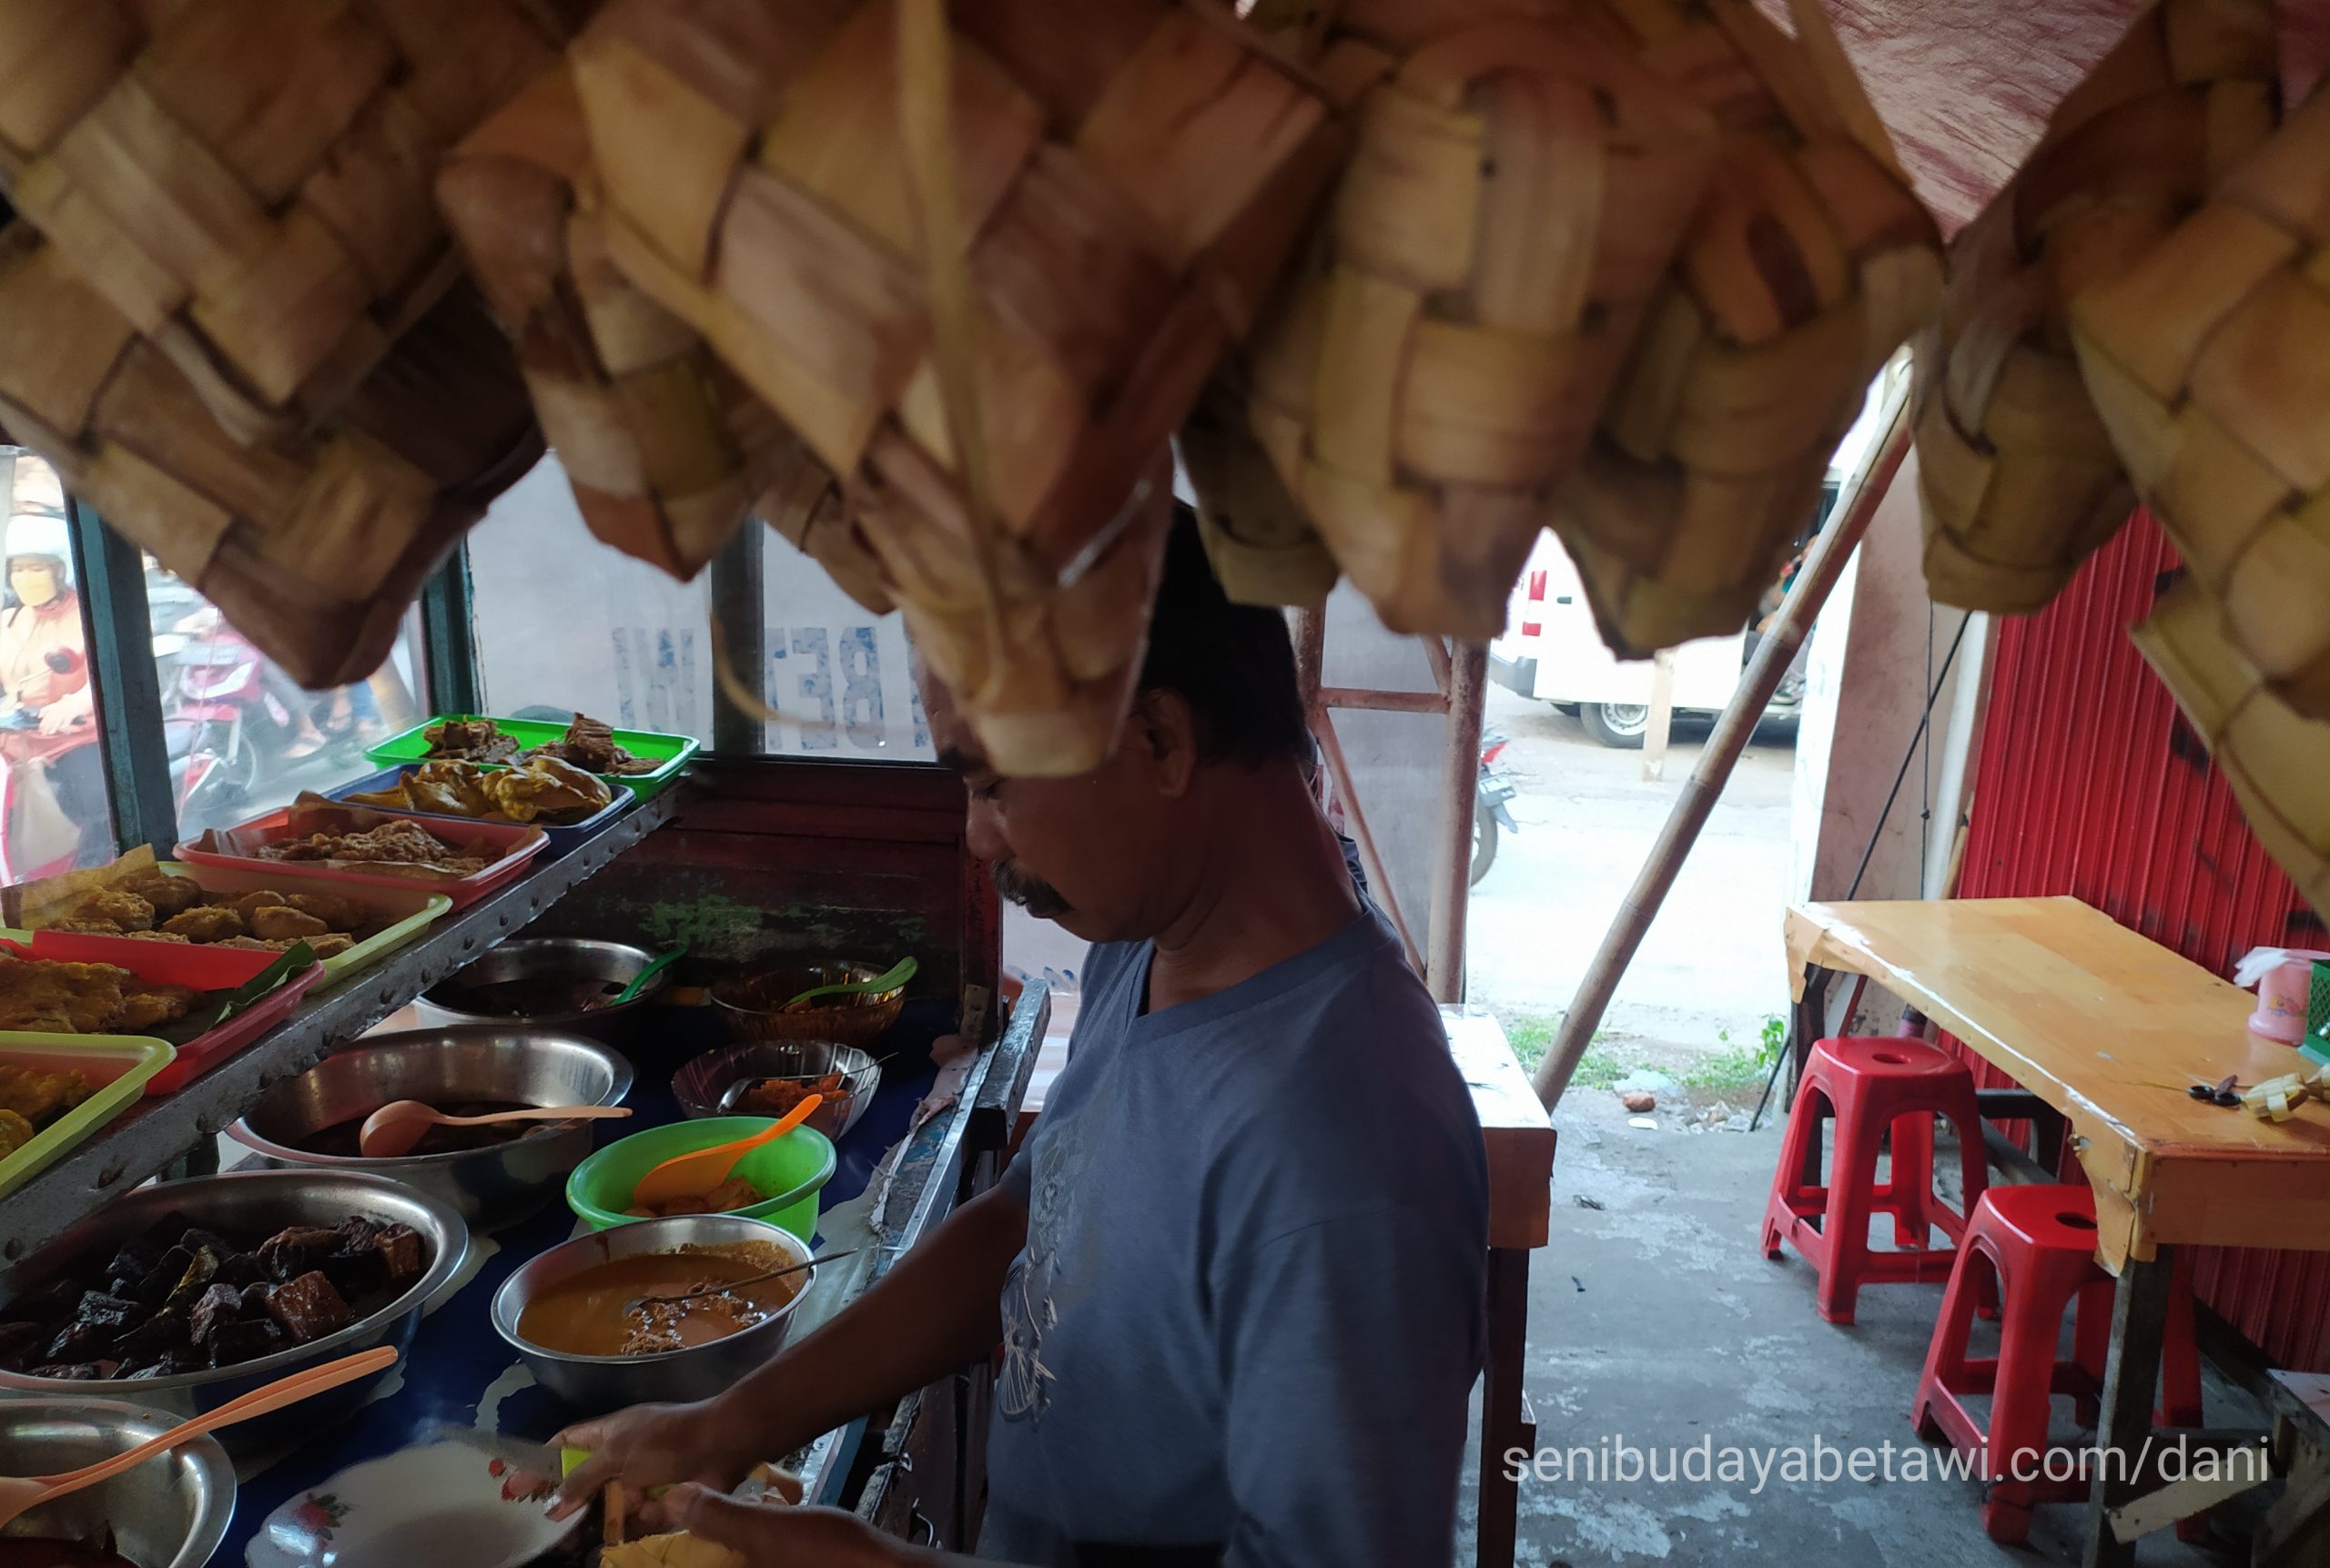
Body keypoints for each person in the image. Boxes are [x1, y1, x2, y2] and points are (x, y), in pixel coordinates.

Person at [553, 513, 1492, 1567]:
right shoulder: (1153, 941)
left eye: (991, 782)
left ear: (1161, 742)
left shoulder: (1345, 1164)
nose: (976, 835)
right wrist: (730, 1425)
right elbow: (1021, 1223)